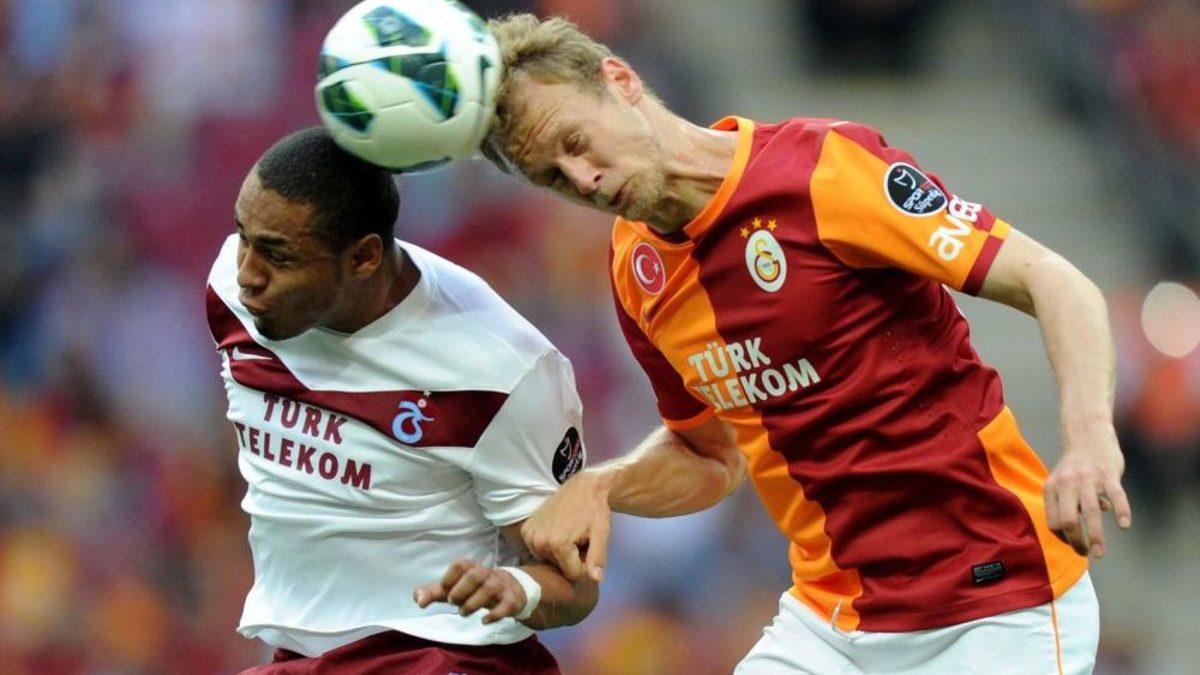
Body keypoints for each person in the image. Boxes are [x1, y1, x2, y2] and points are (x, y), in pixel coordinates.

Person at [481, 14, 1132, 674]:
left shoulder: (820, 170)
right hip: (833, 620)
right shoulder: (636, 270)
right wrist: (602, 484)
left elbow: (1054, 281)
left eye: (575, 142)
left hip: (999, 602)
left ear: (620, 80)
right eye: (553, 176)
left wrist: (1088, 439)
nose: (582, 178)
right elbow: (709, 456)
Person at [205, 126, 596, 674]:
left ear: (364, 257)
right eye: (242, 237)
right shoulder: (232, 295)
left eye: (277, 255)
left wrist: (519, 587)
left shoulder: (501, 370)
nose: (247, 273)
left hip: (447, 654)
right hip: (301, 659)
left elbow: (575, 586)